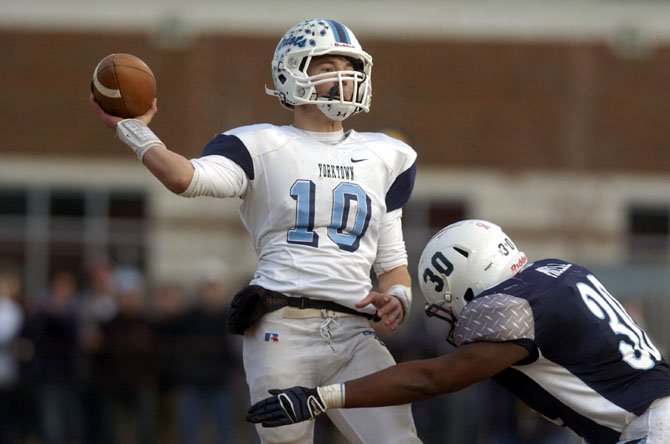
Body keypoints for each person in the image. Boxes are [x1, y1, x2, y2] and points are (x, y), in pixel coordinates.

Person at [90, 18, 420, 444]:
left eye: (350, 64)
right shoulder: (261, 145)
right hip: (282, 327)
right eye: (328, 65)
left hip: (355, 332)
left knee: (399, 440)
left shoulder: (387, 155)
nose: (346, 75)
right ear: (292, 72)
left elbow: (393, 264)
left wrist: (398, 297)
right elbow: (185, 178)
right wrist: (134, 130)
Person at [247, 219, 670, 444]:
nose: (457, 317)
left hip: (648, 425)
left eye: (450, 302)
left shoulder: (515, 306)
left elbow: (432, 378)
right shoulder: (557, 273)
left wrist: (321, 397)